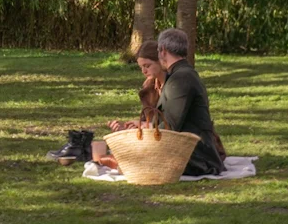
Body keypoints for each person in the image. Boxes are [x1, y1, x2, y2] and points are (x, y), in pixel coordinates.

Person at [155, 27, 225, 177]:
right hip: (192, 150)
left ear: (163, 50)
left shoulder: (181, 78)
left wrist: (146, 131)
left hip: (196, 156)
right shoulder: (182, 74)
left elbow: (171, 125)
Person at [90, 40, 166, 165]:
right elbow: (147, 120)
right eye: (141, 67)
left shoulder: (173, 87)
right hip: (153, 142)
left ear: (161, 62)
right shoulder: (149, 87)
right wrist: (125, 129)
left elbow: (169, 126)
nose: (143, 71)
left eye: (147, 66)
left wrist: (144, 125)